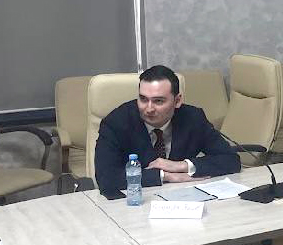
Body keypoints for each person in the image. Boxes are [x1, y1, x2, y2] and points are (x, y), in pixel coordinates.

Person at [94, 65, 240, 195]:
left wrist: (181, 166)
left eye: (158, 101)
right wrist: (164, 175)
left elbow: (231, 160)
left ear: (177, 101)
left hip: (183, 196)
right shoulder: (116, 123)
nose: (149, 109)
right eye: (143, 99)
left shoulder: (193, 118)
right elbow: (106, 178)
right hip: (137, 200)